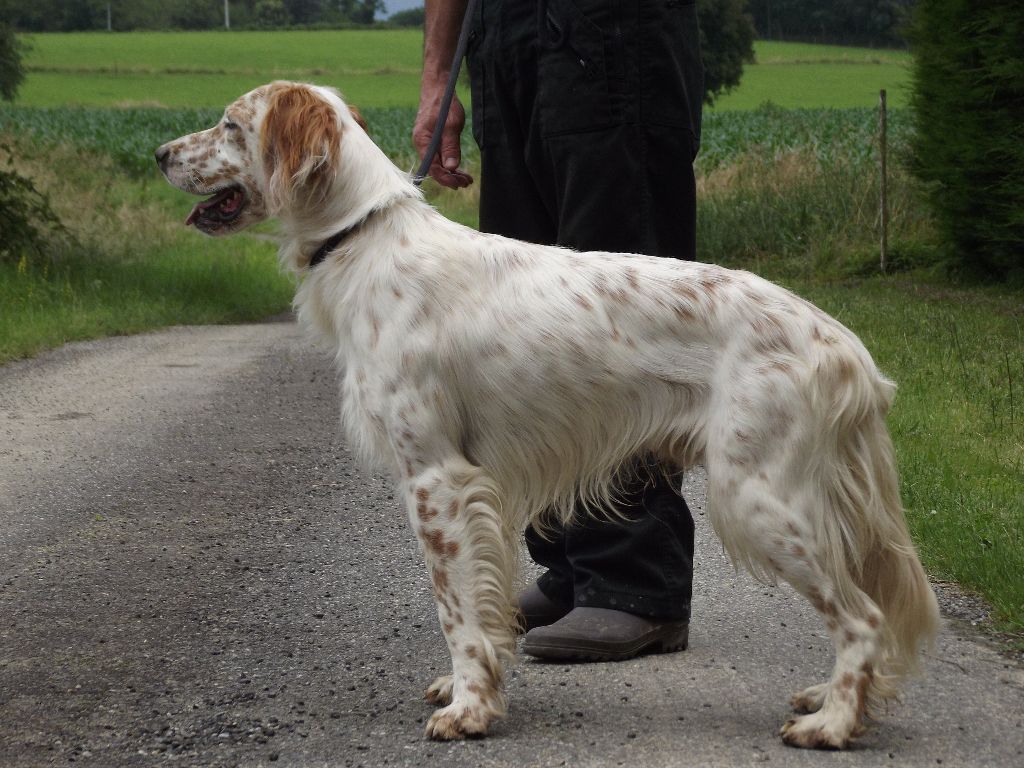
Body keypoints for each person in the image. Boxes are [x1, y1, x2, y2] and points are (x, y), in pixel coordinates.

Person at [414, 0, 703, 662]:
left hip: (615, 33)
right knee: (528, 326)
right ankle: (571, 563)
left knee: (617, 320)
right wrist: (437, 82)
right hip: (505, 40)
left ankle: (635, 581)